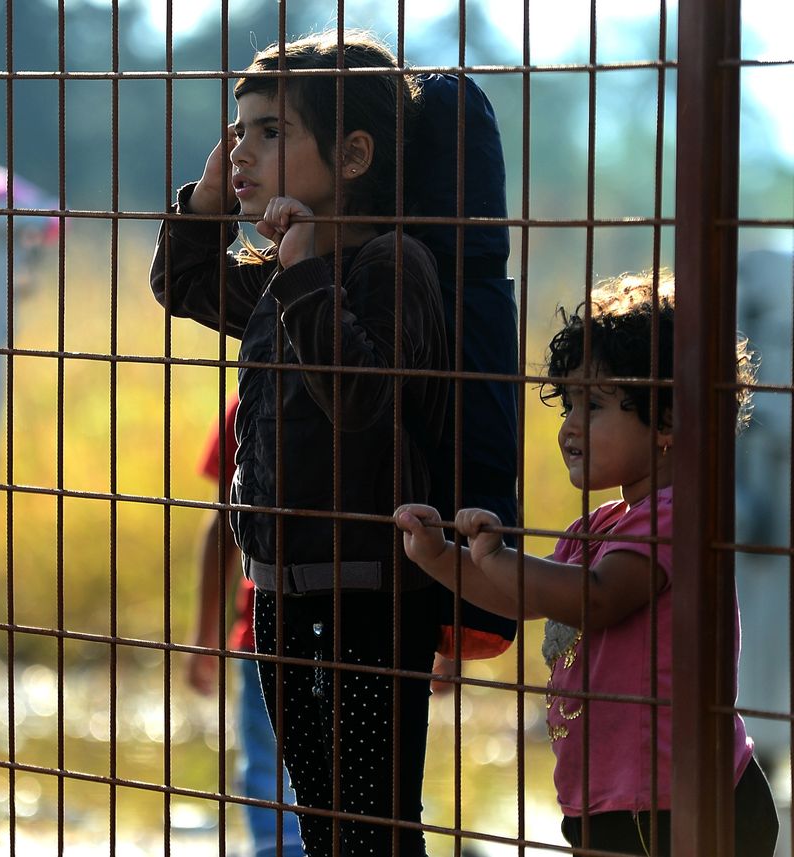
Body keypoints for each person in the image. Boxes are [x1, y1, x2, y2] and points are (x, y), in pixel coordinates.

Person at [151, 30, 450, 856]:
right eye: (237, 129)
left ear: (353, 154)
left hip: (369, 596)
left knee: (374, 822)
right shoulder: (282, 271)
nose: (240, 150)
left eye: (269, 131)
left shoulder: (395, 264)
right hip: (279, 594)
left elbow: (358, 394)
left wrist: (305, 268)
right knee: (322, 822)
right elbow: (184, 285)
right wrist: (208, 204)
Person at [394, 272, 778, 856]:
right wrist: (443, 558)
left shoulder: (678, 518)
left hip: (678, 805)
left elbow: (596, 599)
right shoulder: (598, 526)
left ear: (670, 420)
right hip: (609, 800)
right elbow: (524, 598)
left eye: (593, 406)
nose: (570, 426)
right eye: (567, 403)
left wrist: (497, 553)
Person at [186, 394, 305, 857]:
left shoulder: (259, 385)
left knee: (267, 775)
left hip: (269, 624)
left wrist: (205, 635)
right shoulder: (394, 375)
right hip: (372, 627)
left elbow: (225, 523)